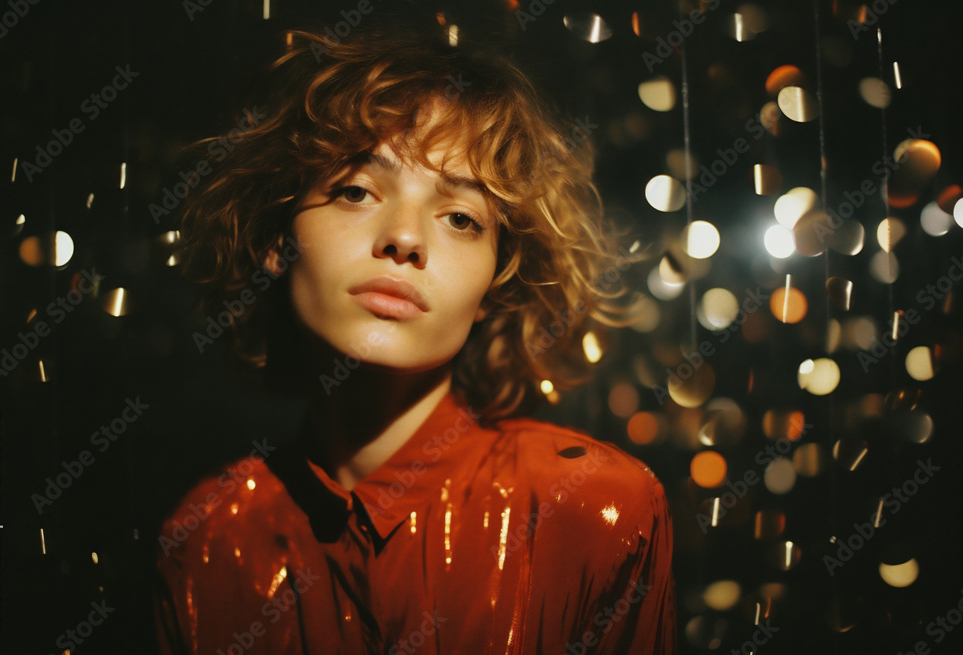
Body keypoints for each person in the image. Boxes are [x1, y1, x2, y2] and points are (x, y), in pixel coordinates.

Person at [155, 22, 676, 655]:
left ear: (497, 285)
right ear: (275, 238)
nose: (404, 238)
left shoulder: (594, 510)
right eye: (356, 191)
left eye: (460, 218)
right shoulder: (208, 539)